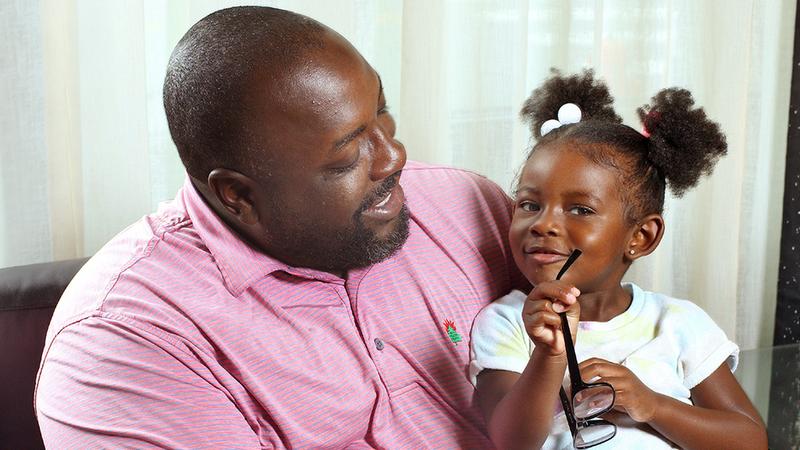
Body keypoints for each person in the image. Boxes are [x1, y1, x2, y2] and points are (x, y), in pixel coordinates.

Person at [34, 6, 524, 448]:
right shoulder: (126, 342)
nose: (394, 157)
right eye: (349, 154)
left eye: (382, 115)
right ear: (239, 195)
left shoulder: (465, 203)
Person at [469, 70, 768, 449]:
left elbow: (750, 440)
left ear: (641, 237)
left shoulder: (678, 324)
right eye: (530, 204)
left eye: (579, 209)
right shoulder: (507, 323)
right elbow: (511, 442)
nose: (543, 224)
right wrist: (549, 355)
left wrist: (652, 406)